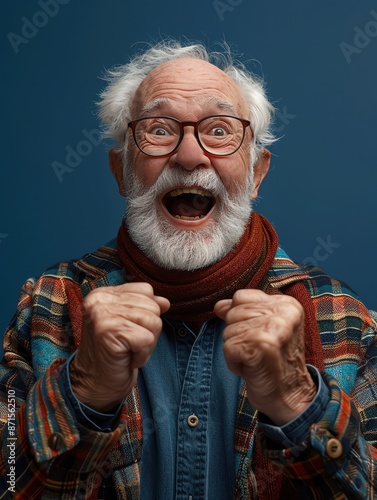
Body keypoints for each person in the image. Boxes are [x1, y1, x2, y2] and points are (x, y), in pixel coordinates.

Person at [0, 40, 376, 500]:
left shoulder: (344, 316)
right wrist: (82, 391)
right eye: (159, 129)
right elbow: (9, 478)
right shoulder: (48, 304)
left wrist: (298, 400)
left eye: (219, 131)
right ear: (121, 171)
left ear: (257, 173)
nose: (190, 156)